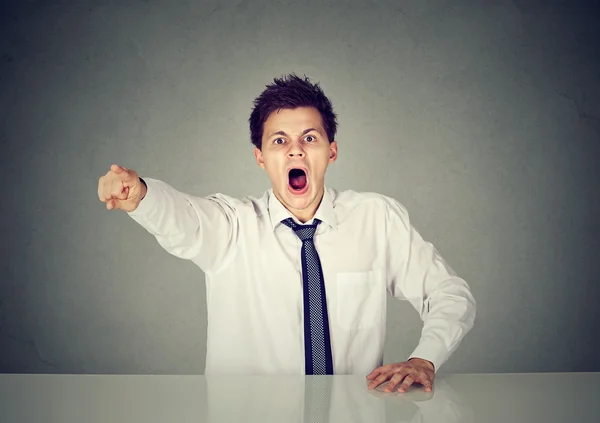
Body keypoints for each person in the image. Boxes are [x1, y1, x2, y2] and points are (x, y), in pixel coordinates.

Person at [97, 74, 476, 393]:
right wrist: (141, 194)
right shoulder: (231, 226)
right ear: (260, 156)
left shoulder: (376, 218)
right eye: (279, 141)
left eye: (310, 138)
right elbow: (183, 219)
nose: (295, 150)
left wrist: (424, 358)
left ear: (332, 150)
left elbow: (449, 294)